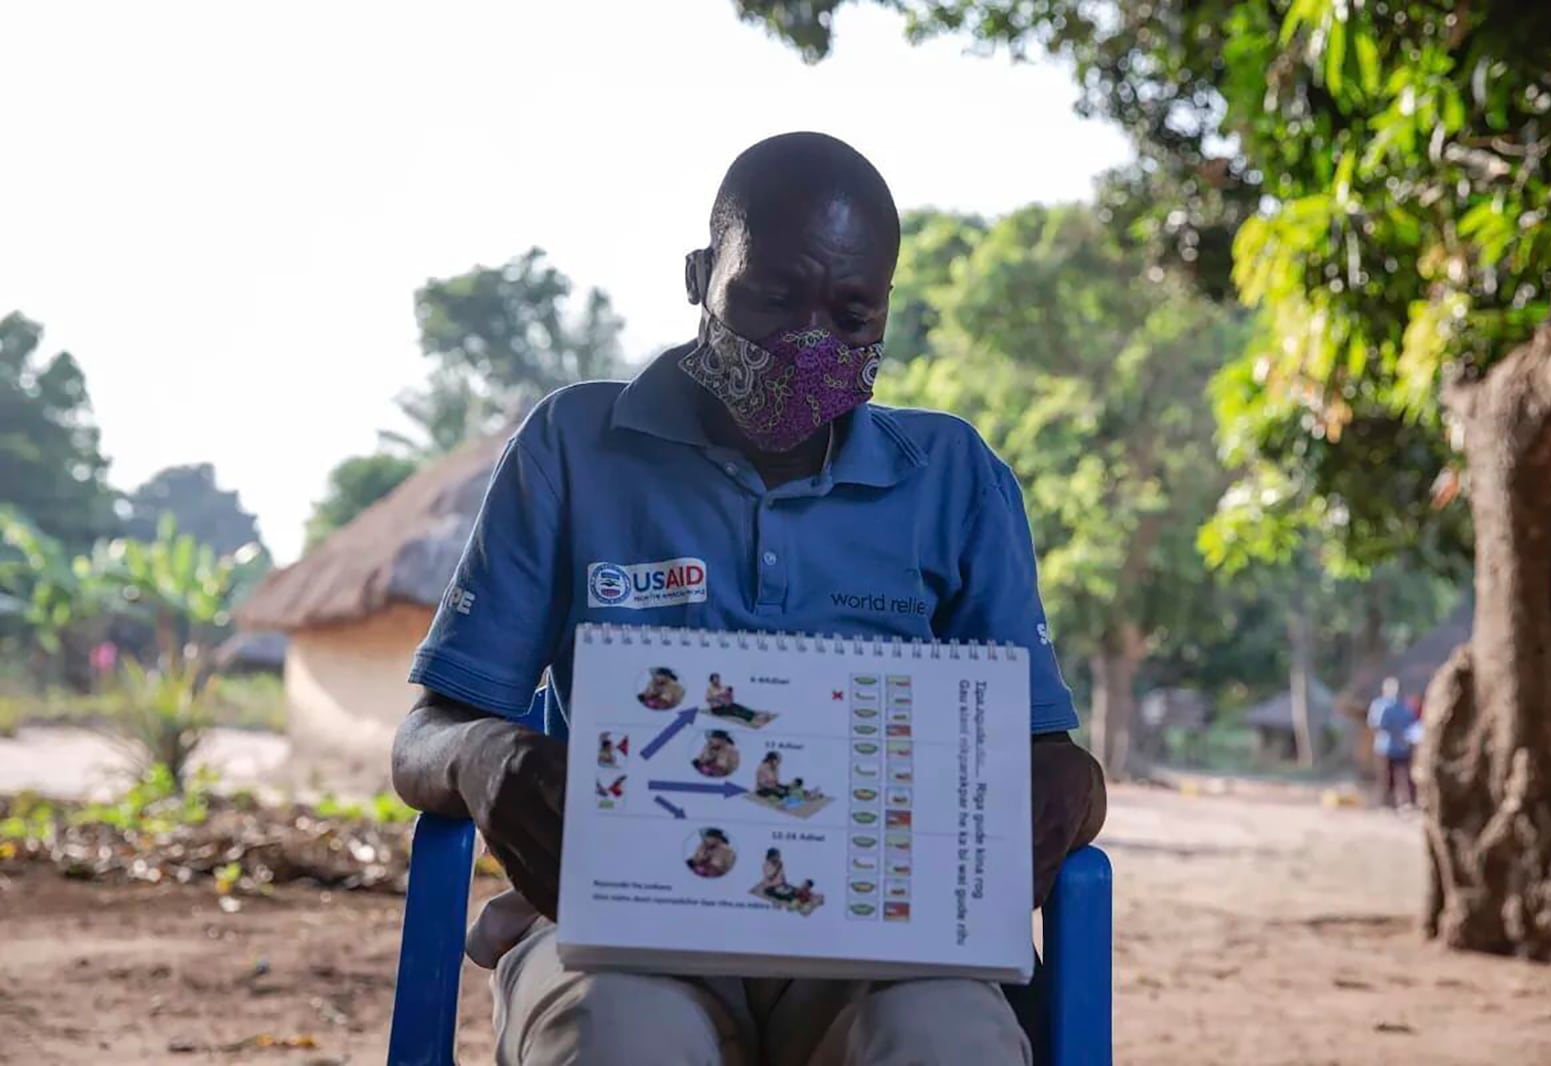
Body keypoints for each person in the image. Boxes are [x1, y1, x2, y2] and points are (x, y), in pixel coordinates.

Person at [393, 131, 1107, 1066]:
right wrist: (487, 755)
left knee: (945, 1040)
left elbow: (1037, 757)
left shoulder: (954, 480)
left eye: (852, 314)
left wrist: (1074, 788)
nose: (810, 344)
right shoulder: (574, 446)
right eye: (771, 299)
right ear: (701, 275)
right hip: (624, 933)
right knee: (616, 1039)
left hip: (882, 944)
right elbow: (424, 737)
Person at [1368, 677, 1418, 808]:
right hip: (1385, 747)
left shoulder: (1405, 706)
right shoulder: (1380, 705)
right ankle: (1385, 803)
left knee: (1404, 777)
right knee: (1385, 777)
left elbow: (1412, 725)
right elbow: (1376, 725)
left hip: (1402, 748)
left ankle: (1404, 802)